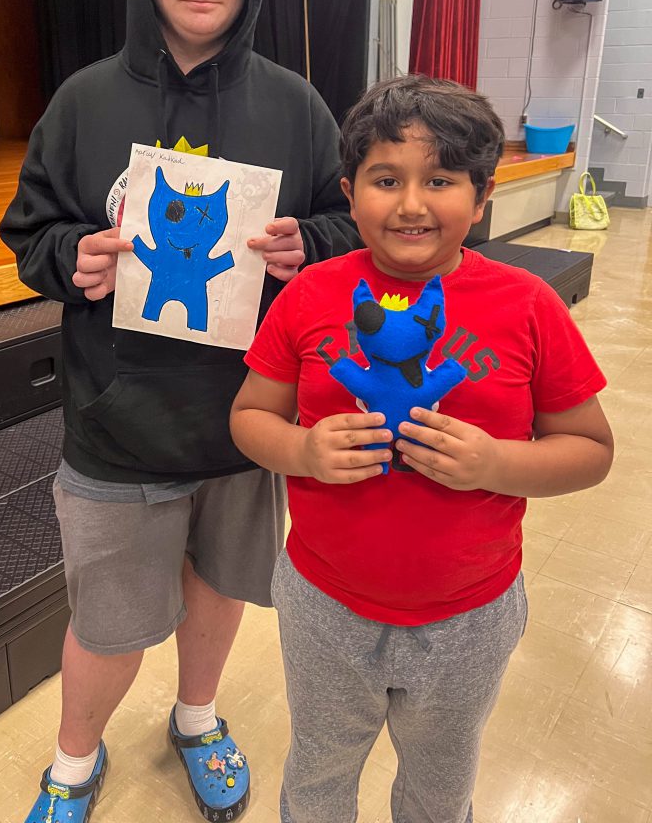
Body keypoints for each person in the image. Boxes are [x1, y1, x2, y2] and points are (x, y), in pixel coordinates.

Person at [0, 0, 360, 823]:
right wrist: (72, 256)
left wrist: (305, 245)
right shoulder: (82, 101)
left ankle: (196, 718)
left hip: (248, 418)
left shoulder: (297, 105)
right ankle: (73, 767)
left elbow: (343, 224)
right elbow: (28, 232)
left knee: (223, 587)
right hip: (119, 416)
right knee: (109, 623)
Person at [230, 75, 614, 823]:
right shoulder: (309, 295)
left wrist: (498, 463)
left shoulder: (528, 305)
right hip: (324, 605)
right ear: (349, 192)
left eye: (439, 180)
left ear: (481, 196)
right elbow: (249, 418)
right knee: (318, 772)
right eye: (385, 179)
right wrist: (304, 451)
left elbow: (590, 448)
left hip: (469, 616)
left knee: (440, 788)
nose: (410, 203)